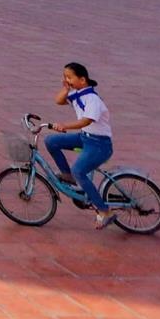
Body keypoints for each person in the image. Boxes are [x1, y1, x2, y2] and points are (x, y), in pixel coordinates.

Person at [44, 62, 115, 227]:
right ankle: (67, 175)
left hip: (99, 144)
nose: (66, 80)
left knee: (79, 171)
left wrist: (64, 126)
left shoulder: (92, 99)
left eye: (69, 77)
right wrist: (65, 88)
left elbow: (86, 120)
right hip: (85, 138)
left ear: (82, 80)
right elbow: (58, 100)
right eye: (65, 77)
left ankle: (105, 211)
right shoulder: (77, 94)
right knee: (51, 141)